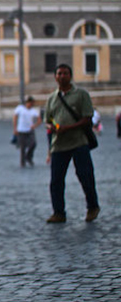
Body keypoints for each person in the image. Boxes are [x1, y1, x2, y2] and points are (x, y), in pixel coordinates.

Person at [43, 64, 100, 223]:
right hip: (58, 144)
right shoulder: (51, 98)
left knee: (85, 175)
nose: (62, 76)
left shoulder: (81, 94)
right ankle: (58, 212)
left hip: (79, 142)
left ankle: (92, 206)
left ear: (71, 75)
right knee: (56, 181)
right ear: (55, 77)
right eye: (59, 73)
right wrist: (52, 127)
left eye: (65, 73)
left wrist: (68, 128)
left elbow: (88, 118)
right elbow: (47, 121)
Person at [13, 96, 42, 167]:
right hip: (21, 130)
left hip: (29, 130)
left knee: (33, 144)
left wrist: (34, 126)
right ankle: (22, 162)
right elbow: (15, 117)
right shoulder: (20, 108)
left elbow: (39, 119)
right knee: (22, 147)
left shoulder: (33, 111)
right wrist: (15, 128)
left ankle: (28, 157)